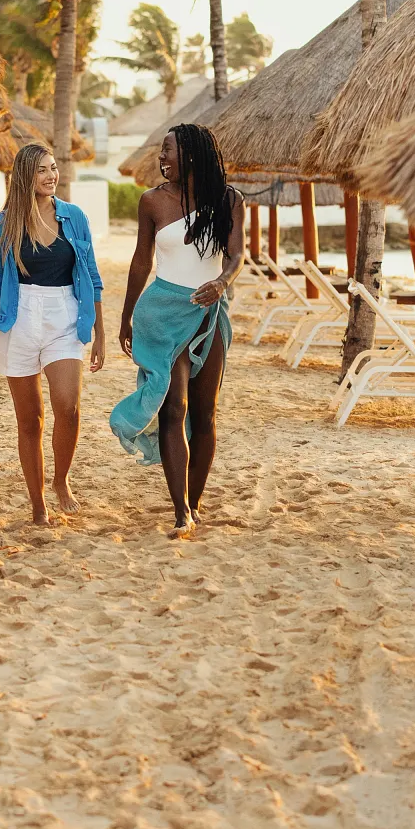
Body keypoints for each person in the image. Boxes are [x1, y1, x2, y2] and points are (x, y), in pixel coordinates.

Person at [110, 123, 243, 538]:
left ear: (191, 154)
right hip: (162, 313)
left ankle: (195, 502)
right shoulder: (152, 201)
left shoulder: (228, 200)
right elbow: (140, 261)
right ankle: (181, 511)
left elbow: (236, 254)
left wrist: (221, 283)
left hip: (208, 312)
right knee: (174, 408)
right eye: (161, 151)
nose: (161, 158)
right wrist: (126, 317)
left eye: (168, 150)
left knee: (205, 414)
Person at [0, 143, 106, 524]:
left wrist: (99, 331)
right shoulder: (4, 224)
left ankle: (61, 479)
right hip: (18, 319)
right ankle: (37, 503)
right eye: (42, 170)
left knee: (68, 408)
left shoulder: (74, 217)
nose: (51, 176)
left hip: (64, 315)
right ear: (25, 177)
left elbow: (92, 277)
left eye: (53, 168)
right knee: (30, 419)